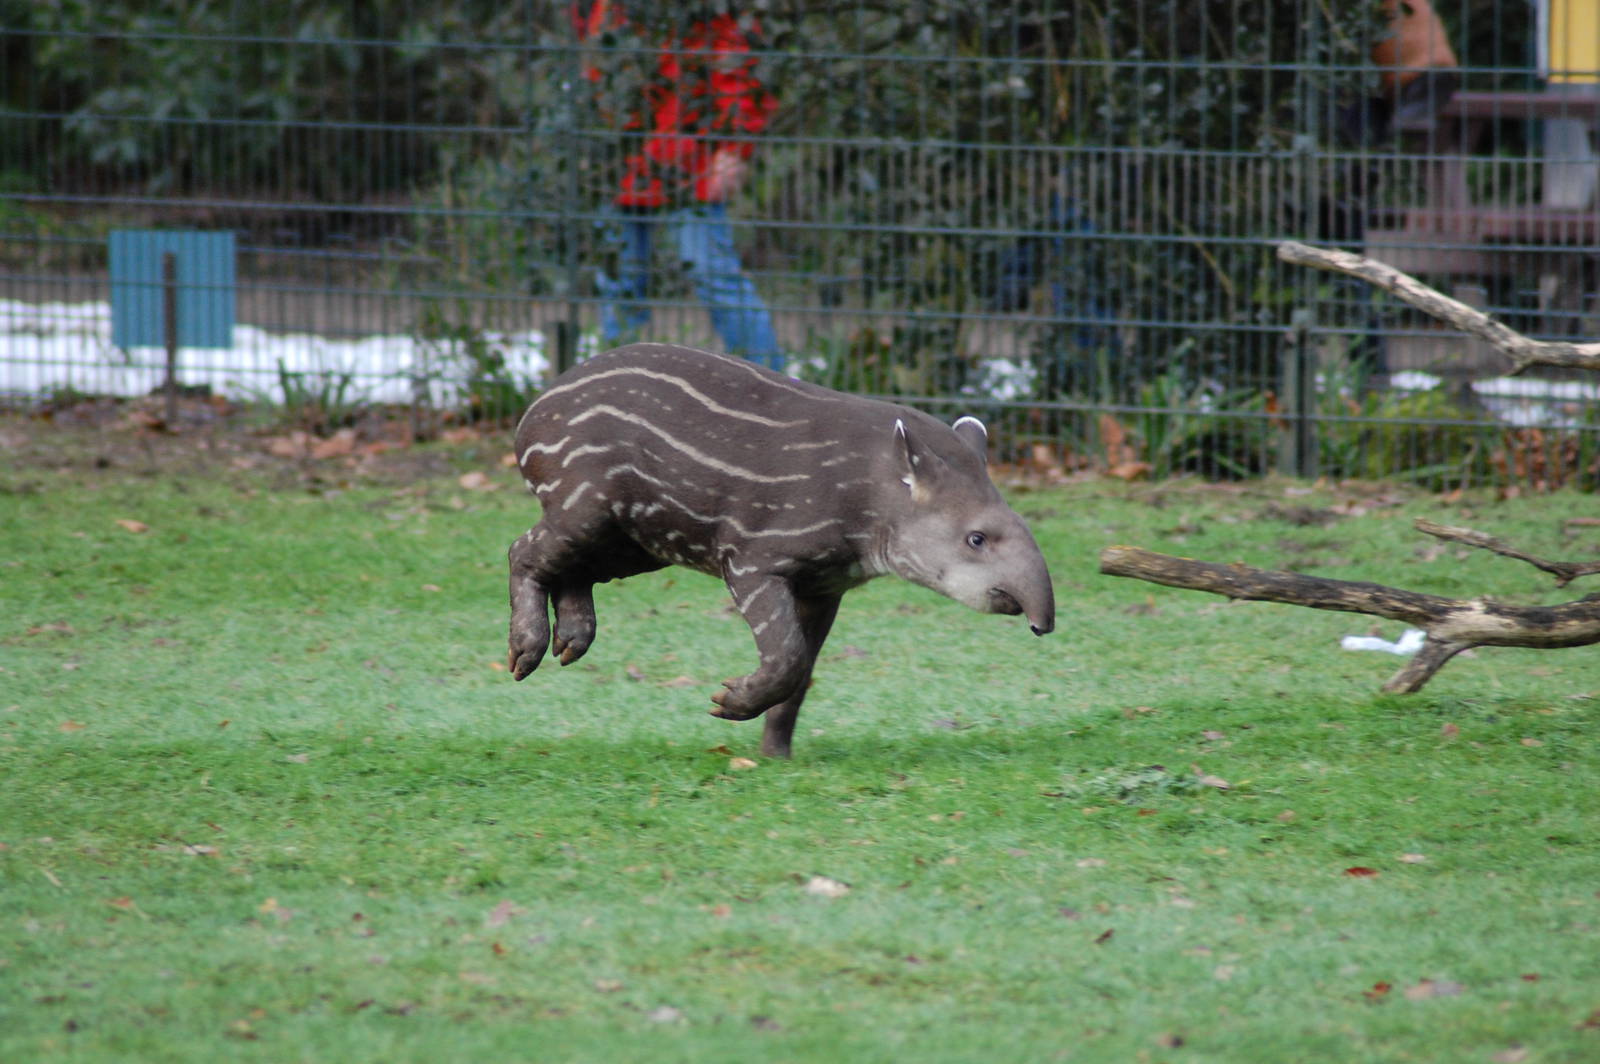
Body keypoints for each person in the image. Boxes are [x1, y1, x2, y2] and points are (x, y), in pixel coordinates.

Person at [575, 2, 784, 369]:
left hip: (690, 164)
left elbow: (742, 73)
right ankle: (619, 392)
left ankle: (775, 388)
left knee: (712, 274)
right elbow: (593, 74)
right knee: (619, 283)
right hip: (620, 162)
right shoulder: (603, 10)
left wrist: (734, 148)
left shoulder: (703, 11)